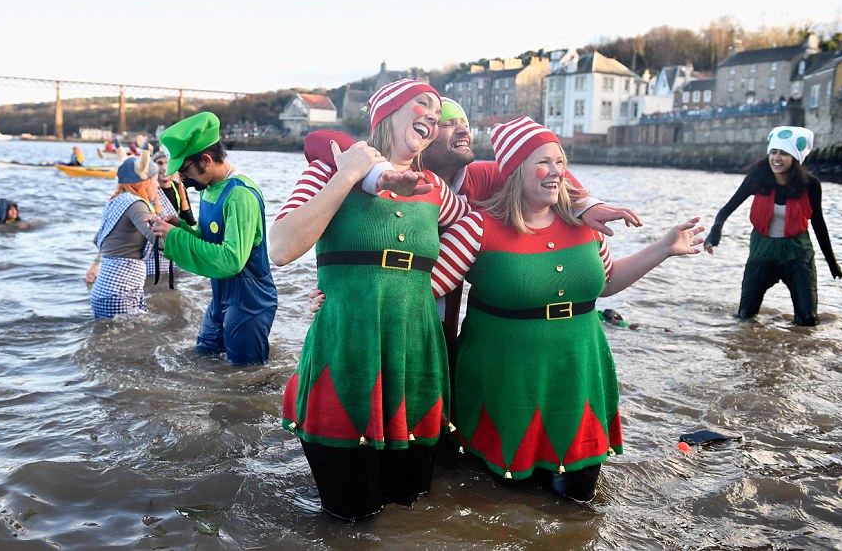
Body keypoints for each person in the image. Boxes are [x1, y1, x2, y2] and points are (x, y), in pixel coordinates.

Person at [431, 116, 704, 502]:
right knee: (505, 509)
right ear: (513, 171)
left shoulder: (589, 226)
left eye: (561, 162)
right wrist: (339, 292)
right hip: (504, 387)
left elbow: (607, 284)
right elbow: (424, 289)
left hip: (578, 381)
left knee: (576, 507)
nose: (557, 172)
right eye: (543, 162)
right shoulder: (476, 228)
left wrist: (663, 247)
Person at [270, 79, 472, 521]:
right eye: (422, 103)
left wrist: (424, 289)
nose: (432, 116)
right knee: (350, 521)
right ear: (386, 112)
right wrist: (348, 175)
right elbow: (280, 248)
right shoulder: (329, 168)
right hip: (345, 355)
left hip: (415, 362)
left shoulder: (437, 190)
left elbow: (480, 224)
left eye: (436, 114)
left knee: (408, 510)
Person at [304, 97, 643, 352]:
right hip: (375, 315)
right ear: (424, 134)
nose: (464, 129)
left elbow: (545, 168)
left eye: (465, 122)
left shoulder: (484, 180)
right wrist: (341, 289)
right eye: (449, 123)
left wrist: (586, 204)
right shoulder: (381, 173)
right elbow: (320, 139)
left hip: (440, 328)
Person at [150, 111, 276, 365]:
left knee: (246, 377)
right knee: (203, 357)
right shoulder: (208, 189)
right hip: (220, 296)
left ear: (206, 160)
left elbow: (231, 259)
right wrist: (181, 228)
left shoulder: (240, 195)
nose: (181, 180)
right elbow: (210, 242)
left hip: (249, 301)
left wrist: (175, 238)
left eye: (184, 171)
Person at [704, 126, 842, 326]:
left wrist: (832, 263)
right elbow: (726, 210)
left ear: (795, 158)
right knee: (745, 318)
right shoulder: (756, 179)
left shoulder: (810, 184)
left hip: (798, 254)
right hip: (762, 253)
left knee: (808, 320)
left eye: (784, 153)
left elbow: (818, 223)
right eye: (774, 152)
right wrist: (714, 232)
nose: (776, 158)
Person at [89, 150, 163, 318]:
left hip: (104, 290)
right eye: (155, 181)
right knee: (135, 342)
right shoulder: (136, 205)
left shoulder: (115, 201)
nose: (157, 186)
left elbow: (97, 240)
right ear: (143, 183)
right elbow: (160, 242)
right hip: (119, 292)